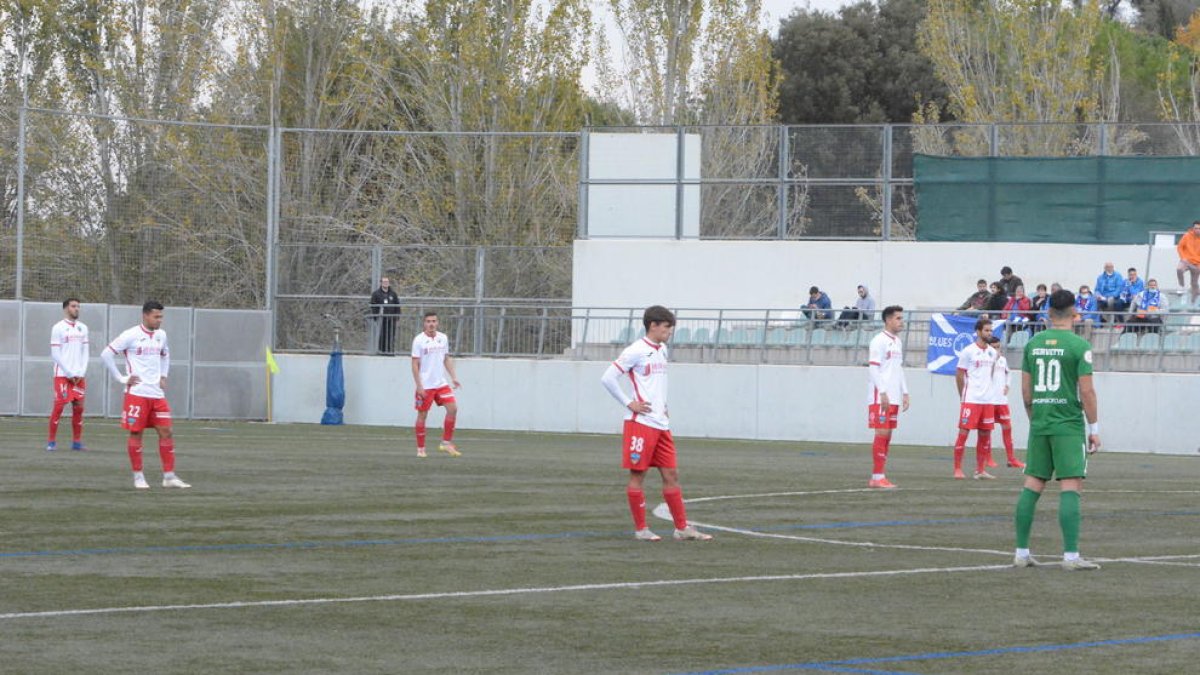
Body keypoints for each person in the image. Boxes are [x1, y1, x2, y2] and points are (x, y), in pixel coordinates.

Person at [600, 305, 712, 541]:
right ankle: (641, 529)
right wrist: (629, 403)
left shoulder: (662, 349)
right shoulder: (636, 350)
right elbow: (608, 378)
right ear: (653, 325)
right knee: (638, 476)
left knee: (671, 475)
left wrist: (664, 405)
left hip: (661, 424)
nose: (670, 332)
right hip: (641, 424)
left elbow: (656, 384)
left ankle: (681, 528)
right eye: (667, 327)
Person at [1013, 288, 1101, 571]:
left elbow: (1025, 392)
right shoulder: (1079, 346)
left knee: (1032, 484)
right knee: (1071, 485)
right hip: (1068, 424)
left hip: (1040, 422)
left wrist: (1035, 419)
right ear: (1074, 312)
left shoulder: (1033, 344)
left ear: (1049, 312)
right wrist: (1094, 428)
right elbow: (1086, 392)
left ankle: (1021, 552)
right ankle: (1071, 557)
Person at [100, 301, 190, 489]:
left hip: (157, 394)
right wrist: (121, 378)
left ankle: (169, 477)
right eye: (156, 316)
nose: (160, 320)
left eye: (161, 317)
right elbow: (106, 354)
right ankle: (138, 477)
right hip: (137, 393)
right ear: (145, 315)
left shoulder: (161, 335)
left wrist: (163, 375)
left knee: (166, 431)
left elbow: (165, 355)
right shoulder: (130, 335)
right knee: (136, 433)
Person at [866, 306, 910, 489]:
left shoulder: (897, 342)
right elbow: (873, 368)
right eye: (898, 318)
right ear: (888, 320)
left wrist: (905, 392)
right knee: (881, 433)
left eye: (902, 318)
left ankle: (880, 475)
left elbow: (898, 369)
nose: (902, 322)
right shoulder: (878, 341)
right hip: (881, 396)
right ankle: (877, 477)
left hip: (894, 396)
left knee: (888, 435)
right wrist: (882, 392)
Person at [411, 311, 461, 458]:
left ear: (437, 323)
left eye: (434, 321)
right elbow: (414, 364)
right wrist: (419, 385)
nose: (431, 324)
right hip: (425, 385)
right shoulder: (419, 340)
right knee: (422, 415)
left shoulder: (442, 338)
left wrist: (454, 377)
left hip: (441, 384)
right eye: (428, 321)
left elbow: (446, 359)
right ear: (424, 323)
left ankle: (446, 443)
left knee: (453, 409)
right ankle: (421, 449)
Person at [952, 318, 998, 480]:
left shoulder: (992, 352)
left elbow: (991, 373)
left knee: (985, 434)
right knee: (963, 433)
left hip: (987, 400)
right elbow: (959, 374)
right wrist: (963, 395)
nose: (989, 333)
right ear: (978, 332)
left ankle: (980, 470)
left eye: (991, 330)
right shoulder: (968, 351)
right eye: (986, 330)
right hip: (971, 399)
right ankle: (957, 469)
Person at [48, 297, 89, 452]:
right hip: (62, 375)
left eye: (78, 306)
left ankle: (76, 442)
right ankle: (51, 442)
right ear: (66, 308)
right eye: (73, 306)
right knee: (59, 406)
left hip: (79, 376)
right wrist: (69, 372)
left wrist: (81, 372)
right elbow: (55, 353)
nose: (77, 309)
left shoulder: (83, 328)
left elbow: (85, 352)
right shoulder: (58, 327)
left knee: (79, 407)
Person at [986, 335, 1025, 470]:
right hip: (989, 401)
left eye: (998, 347)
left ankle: (1011, 459)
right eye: (994, 347)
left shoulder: (1003, 360)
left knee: (1007, 428)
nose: (997, 350)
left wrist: (1007, 385)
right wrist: (993, 360)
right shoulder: (986, 362)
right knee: (987, 430)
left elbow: (1009, 373)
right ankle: (987, 458)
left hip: (1002, 401)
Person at [370, 276, 401, 355]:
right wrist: (376, 317)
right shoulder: (376, 294)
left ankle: (390, 351)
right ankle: (381, 351)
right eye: (384, 282)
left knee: (391, 335)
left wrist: (397, 318)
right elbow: (373, 306)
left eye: (387, 282)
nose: (386, 283)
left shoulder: (393, 294)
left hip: (391, 319)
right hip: (381, 319)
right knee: (382, 335)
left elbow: (397, 306)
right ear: (381, 283)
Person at [1176, 220, 1200, 303]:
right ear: (1193, 228)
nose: (1197, 230)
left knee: (1194, 283)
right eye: (1196, 228)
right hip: (1186, 260)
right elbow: (1180, 247)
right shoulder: (1187, 236)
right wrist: (1183, 258)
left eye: (1199, 228)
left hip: (1197, 263)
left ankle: (1193, 302)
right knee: (1179, 269)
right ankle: (1181, 286)